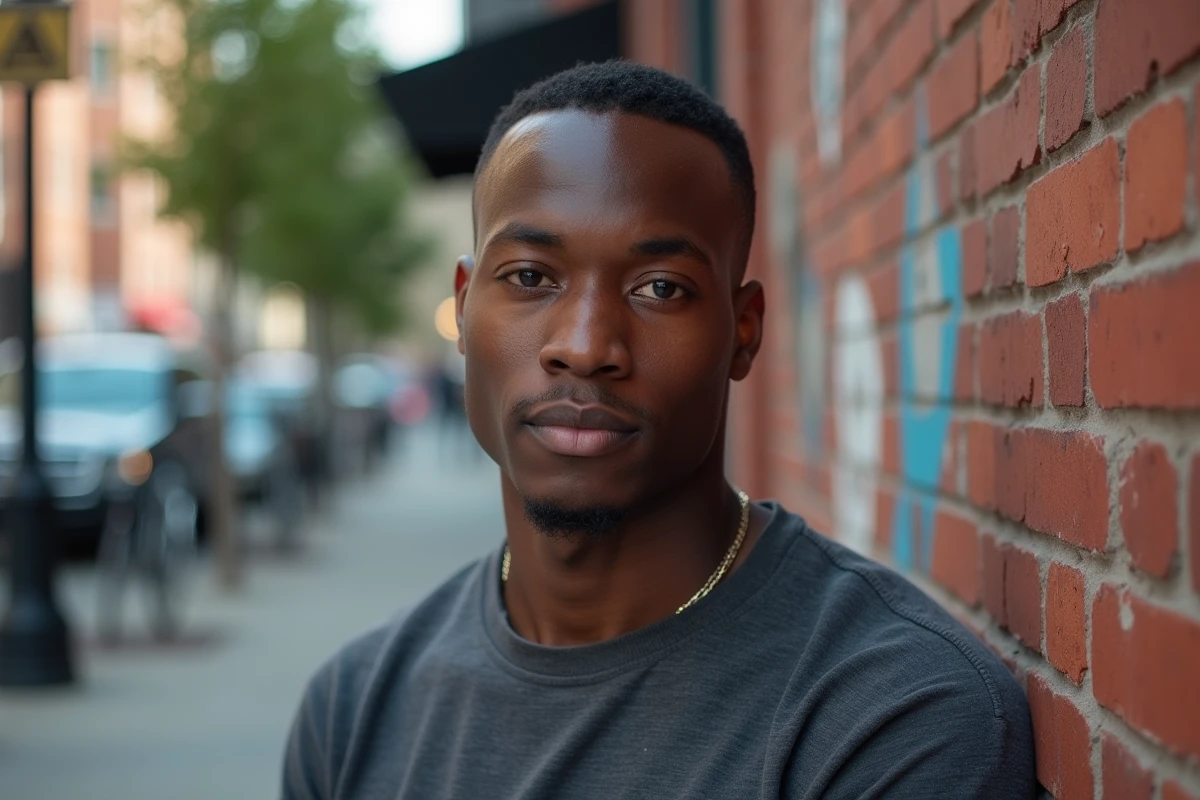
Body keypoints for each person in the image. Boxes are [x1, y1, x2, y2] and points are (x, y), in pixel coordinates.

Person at [282, 61, 1036, 799]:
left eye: (660, 288)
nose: (585, 346)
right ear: (464, 304)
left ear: (743, 333)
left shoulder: (892, 717)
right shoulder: (352, 714)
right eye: (530, 277)